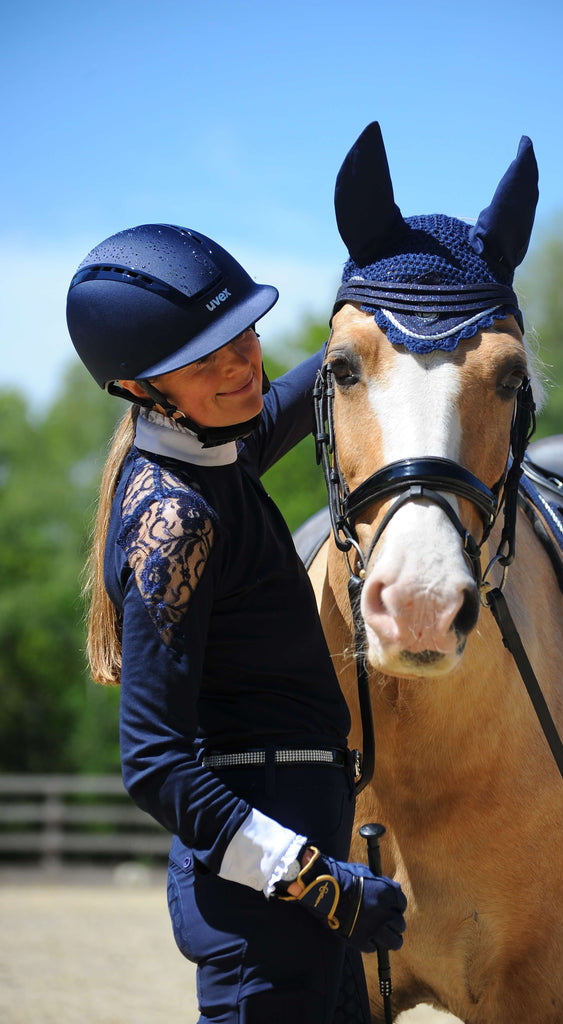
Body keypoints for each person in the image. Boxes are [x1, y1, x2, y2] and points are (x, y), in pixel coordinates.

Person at [66, 222, 406, 1024]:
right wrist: (321, 883)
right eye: (205, 360)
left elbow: (313, 380)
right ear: (142, 389)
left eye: (243, 336)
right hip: (267, 898)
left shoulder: (218, 443)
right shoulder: (172, 520)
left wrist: (379, 304)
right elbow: (153, 763)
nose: (240, 366)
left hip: (301, 863)